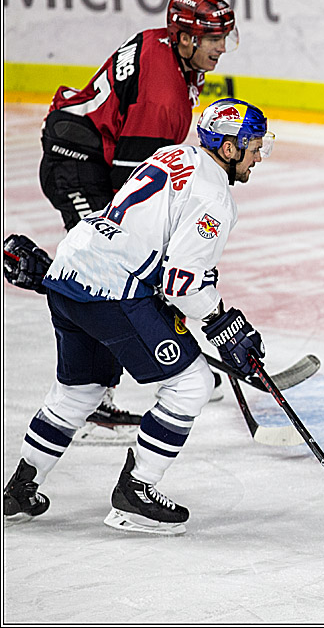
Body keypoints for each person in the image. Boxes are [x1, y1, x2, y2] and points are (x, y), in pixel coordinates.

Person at [2, 98, 275, 535]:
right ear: (228, 148)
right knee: (193, 384)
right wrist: (226, 327)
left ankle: (19, 487)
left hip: (71, 267)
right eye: (254, 146)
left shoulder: (174, 154)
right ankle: (135, 493)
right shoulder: (215, 198)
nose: (259, 156)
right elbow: (181, 283)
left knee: (80, 390)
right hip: (113, 289)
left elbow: (156, 248)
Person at [4, 0, 238, 434]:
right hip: (78, 165)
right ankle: (94, 389)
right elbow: (129, 188)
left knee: (112, 272)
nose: (221, 47)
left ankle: (111, 380)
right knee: (104, 271)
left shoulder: (164, 48)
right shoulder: (163, 94)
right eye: (213, 38)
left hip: (87, 155)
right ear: (186, 37)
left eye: (224, 37)